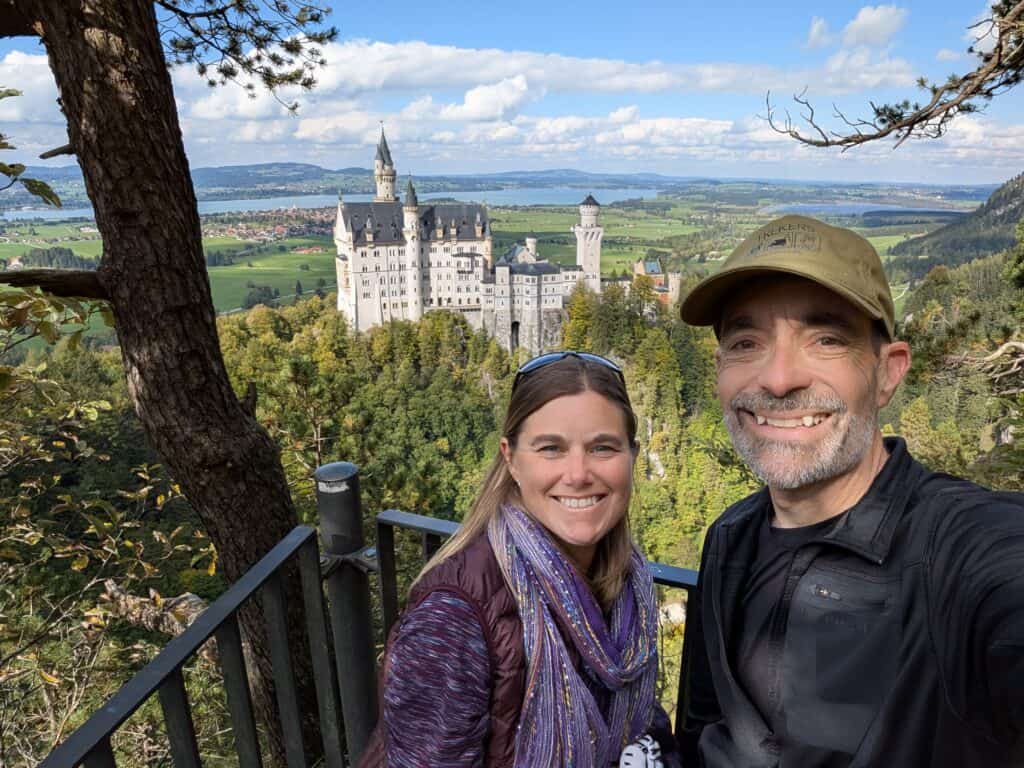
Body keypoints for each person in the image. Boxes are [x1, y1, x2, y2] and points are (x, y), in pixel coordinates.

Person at [676, 214, 1024, 767]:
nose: (779, 378)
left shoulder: (956, 553)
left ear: (888, 372)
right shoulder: (731, 537)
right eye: (747, 341)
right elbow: (703, 729)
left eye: (827, 339)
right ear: (720, 370)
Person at [361, 352, 680, 768]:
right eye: (551, 448)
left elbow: (640, 723)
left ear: (632, 456)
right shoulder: (454, 616)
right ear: (510, 458)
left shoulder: (626, 582)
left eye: (603, 447)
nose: (578, 473)